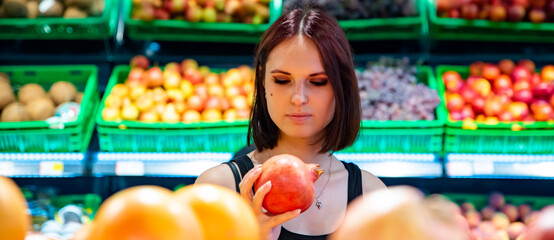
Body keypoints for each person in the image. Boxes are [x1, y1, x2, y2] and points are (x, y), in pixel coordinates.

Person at [195, 3, 387, 240]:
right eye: (282, 81)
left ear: (342, 88)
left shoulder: (372, 197)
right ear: (263, 82)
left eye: (318, 82)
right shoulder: (217, 189)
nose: (298, 98)